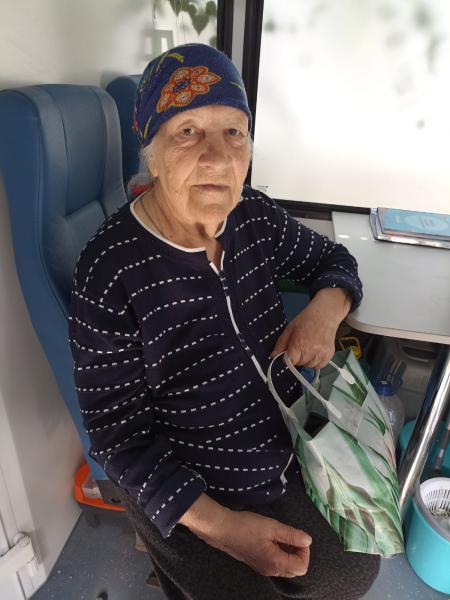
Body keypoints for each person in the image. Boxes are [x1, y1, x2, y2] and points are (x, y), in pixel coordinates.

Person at [69, 43, 379, 599]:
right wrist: (222, 529)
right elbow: (118, 435)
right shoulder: (110, 269)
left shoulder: (252, 214)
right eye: (187, 131)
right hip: (189, 483)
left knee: (355, 572)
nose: (217, 157)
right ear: (152, 155)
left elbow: (334, 261)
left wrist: (324, 311)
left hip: (282, 448)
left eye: (233, 132)